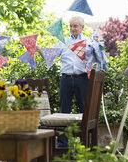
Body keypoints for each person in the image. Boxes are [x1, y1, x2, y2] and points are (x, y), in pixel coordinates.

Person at [36, 16, 90, 147]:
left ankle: (85, 144)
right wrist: (39, 51)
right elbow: (50, 57)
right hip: (66, 79)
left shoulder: (88, 42)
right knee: (64, 110)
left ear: (82, 27)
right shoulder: (63, 41)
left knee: (84, 109)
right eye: (71, 26)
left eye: (75, 26)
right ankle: (62, 144)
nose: (72, 28)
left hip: (82, 79)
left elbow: (95, 59)